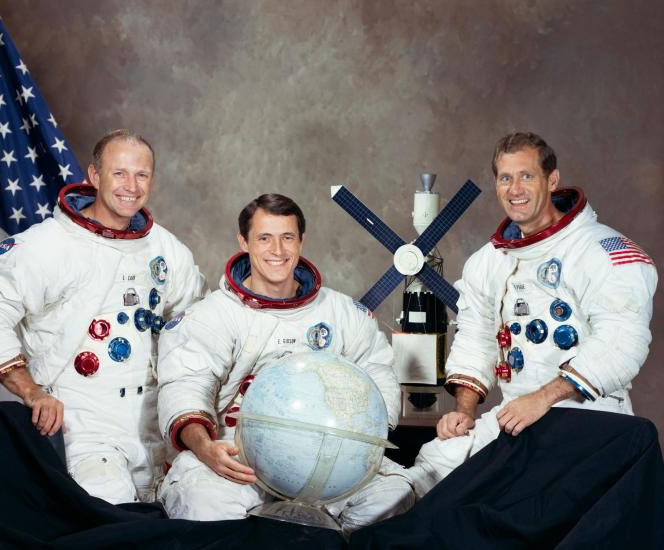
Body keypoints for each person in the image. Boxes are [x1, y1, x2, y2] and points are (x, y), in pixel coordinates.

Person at [409, 132, 658, 497]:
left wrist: (542, 399)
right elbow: (476, 338)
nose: (515, 189)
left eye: (526, 176)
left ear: (551, 180)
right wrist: (464, 410)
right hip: (515, 415)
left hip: (591, 417)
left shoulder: (604, 251)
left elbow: (622, 344)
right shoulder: (488, 262)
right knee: (435, 463)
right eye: (505, 178)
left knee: (533, 497)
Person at [157, 193, 414, 533]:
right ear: (243, 242)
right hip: (237, 458)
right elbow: (185, 386)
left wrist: (358, 448)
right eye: (264, 238)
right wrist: (206, 449)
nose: (277, 250)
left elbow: (377, 372)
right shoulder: (213, 316)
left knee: (394, 494)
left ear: (301, 241)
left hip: (328, 461)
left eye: (287, 237)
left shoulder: (342, 314)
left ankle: (333, 542)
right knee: (204, 502)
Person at [0, 129, 206, 504]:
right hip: (82, 423)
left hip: (154, 420)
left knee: (191, 512)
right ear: (95, 176)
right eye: (119, 173)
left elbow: (197, 321)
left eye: (142, 175)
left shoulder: (164, 247)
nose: (131, 186)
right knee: (108, 511)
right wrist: (31, 392)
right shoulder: (48, 245)